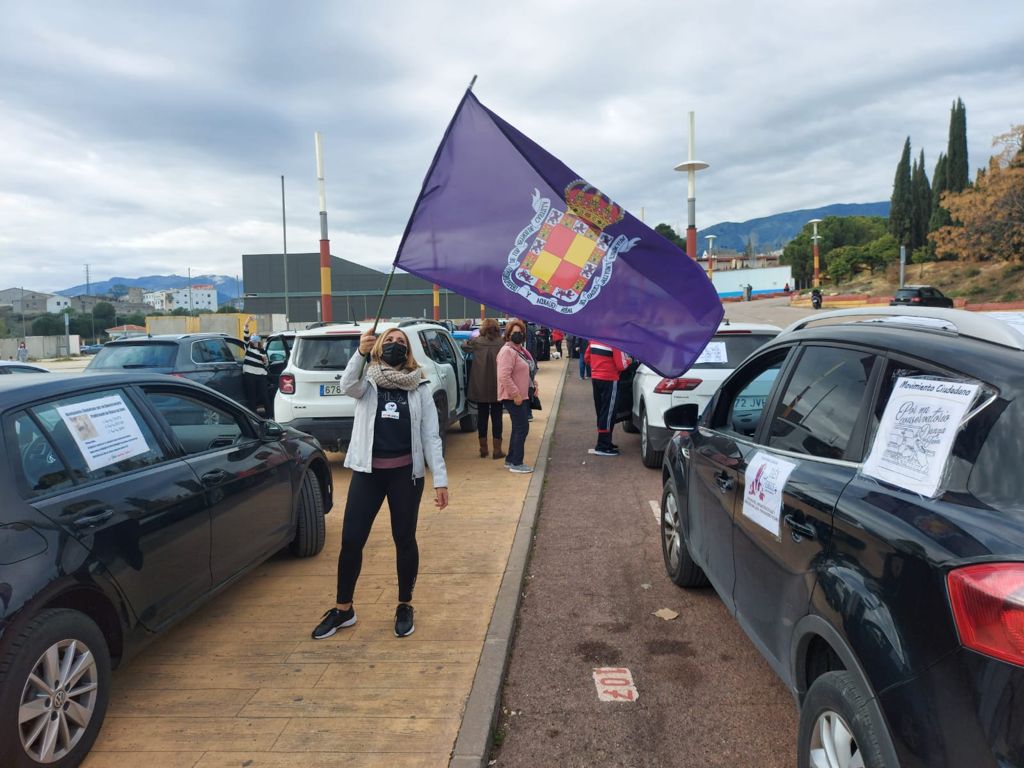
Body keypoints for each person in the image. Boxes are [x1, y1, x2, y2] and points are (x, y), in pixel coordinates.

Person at [312, 327, 449, 640]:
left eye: (401, 342)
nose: (395, 345)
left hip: (405, 475)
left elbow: (431, 435)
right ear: (378, 347)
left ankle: (404, 604)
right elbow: (347, 384)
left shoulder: (420, 385)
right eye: (389, 340)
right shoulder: (367, 380)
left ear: (409, 351)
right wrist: (360, 353)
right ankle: (344, 609)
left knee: (404, 539)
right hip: (367, 474)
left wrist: (439, 479)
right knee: (351, 541)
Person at [496, 318, 537, 474]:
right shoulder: (507, 351)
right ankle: (517, 463)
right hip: (513, 396)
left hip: (521, 395)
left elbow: (524, 369)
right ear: (508, 335)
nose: (518, 335)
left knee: (518, 427)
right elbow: (504, 376)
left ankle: (511, 459)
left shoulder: (519, 351)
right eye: (515, 333)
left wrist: (533, 384)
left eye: (520, 333)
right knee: (522, 428)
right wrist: (515, 394)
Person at [462, 318, 506, 460]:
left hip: (480, 386)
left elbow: (464, 346)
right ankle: (497, 450)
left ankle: (483, 449)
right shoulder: (502, 342)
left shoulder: (477, 342)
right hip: (497, 386)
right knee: (497, 418)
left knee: (482, 417)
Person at [584, 341, 631, 457]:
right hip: (610, 378)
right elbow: (621, 365)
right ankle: (603, 445)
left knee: (601, 411)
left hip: (596, 378)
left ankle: (605, 442)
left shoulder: (594, 339)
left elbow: (587, 358)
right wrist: (629, 361)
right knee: (609, 412)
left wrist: (597, 367)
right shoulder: (614, 341)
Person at [242, 317, 270, 415]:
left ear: (259, 340)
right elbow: (245, 333)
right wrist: (247, 321)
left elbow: (266, 365)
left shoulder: (262, 351)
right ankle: (253, 416)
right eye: (252, 337)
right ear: (250, 340)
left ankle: (269, 416)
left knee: (264, 396)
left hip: (261, 375)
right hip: (250, 375)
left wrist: (265, 361)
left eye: (256, 337)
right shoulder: (248, 347)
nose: (254, 339)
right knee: (251, 397)